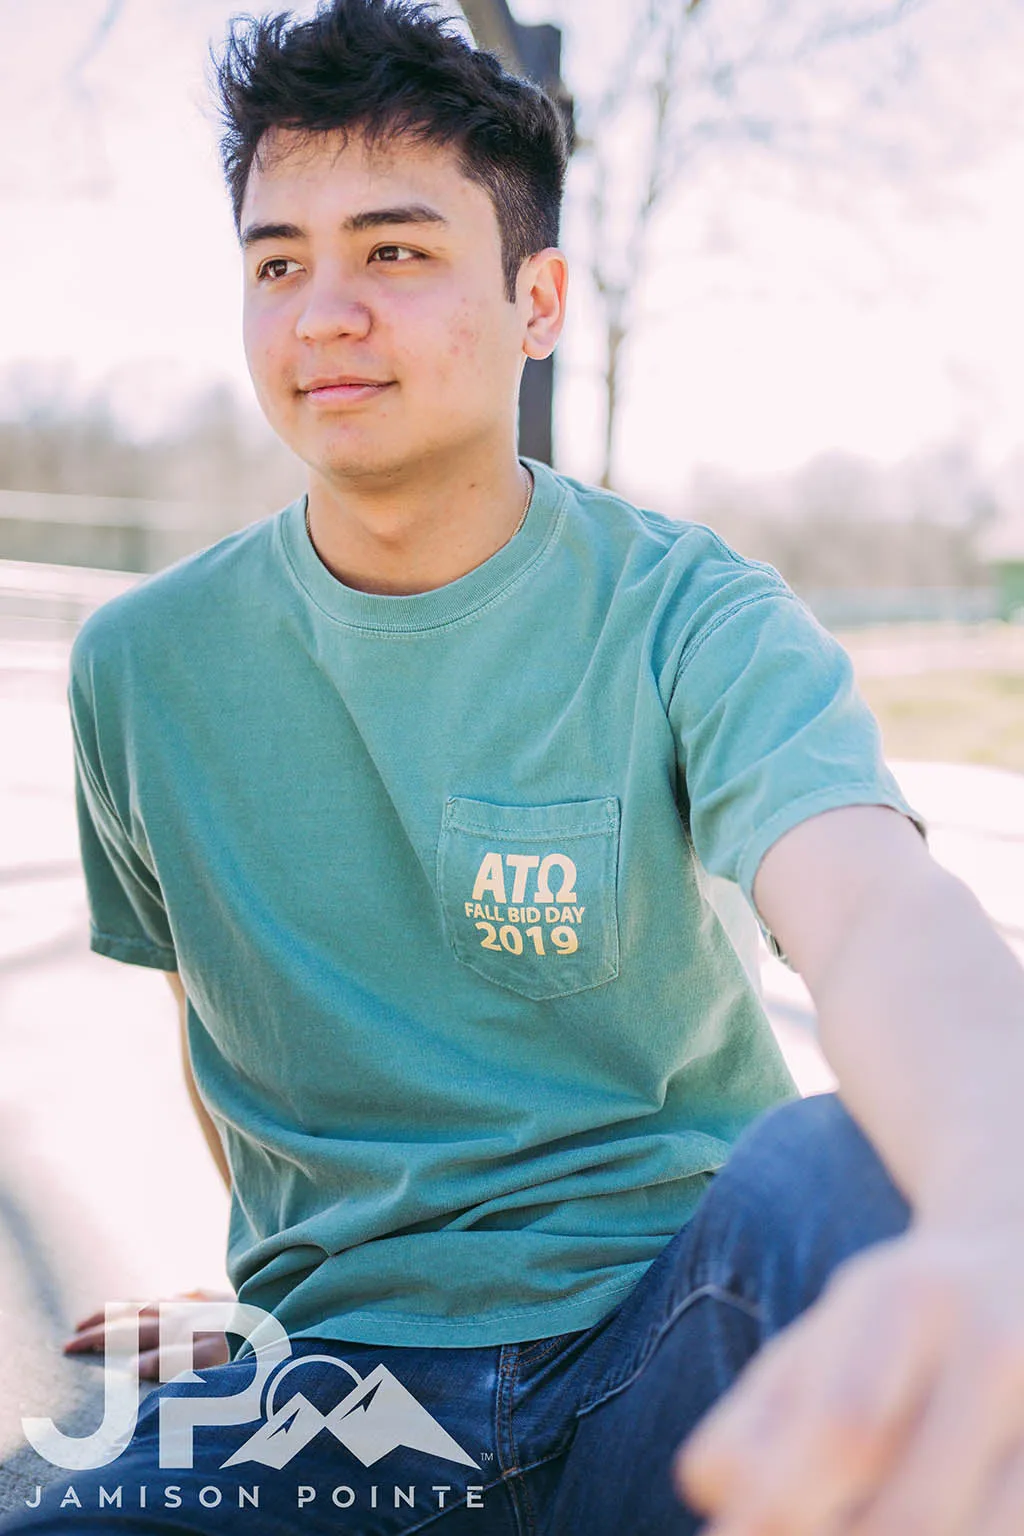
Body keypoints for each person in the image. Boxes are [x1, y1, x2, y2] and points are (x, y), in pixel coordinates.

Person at [7, 2, 1024, 1532]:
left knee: (850, 1169)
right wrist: (271, 1300)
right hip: (347, 1394)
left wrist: (994, 1217)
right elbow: (226, 1044)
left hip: (666, 1331)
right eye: (279, 260)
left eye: (396, 251)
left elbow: (877, 907)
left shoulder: (692, 613)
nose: (323, 312)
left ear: (537, 299)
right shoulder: (142, 670)